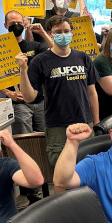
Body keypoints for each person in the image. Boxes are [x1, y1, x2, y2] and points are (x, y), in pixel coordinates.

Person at [17, 15, 100, 167]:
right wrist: (23, 70)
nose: (63, 35)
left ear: (72, 32)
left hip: (85, 122)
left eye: (66, 31)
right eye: (58, 32)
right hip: (58, 126)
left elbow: (92, 92)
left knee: (88, 168)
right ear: (50, 34)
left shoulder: (83, 58)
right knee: (63, 171)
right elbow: (29, 97)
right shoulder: (40, 61)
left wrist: (96, 122)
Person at [0, 10, 47, 134]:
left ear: (24, 24)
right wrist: (9, 93)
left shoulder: (35, 46)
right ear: (5, 25)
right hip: (19, 104)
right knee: (25, 139)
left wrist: (43, 33)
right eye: (12, 23)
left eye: (19, 22)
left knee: (46, 136)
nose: (16, 25)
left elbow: (55, 53)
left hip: (40, 101)